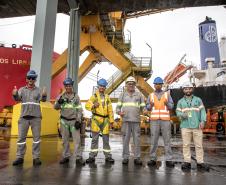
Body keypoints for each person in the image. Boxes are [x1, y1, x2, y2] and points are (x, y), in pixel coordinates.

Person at [12, 70, 47, 166]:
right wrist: (14, 94)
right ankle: (20, 157)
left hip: (36, 118)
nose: (31, 79)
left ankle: (36, 157)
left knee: (36, 139)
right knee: (21, 139)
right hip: (23, 118)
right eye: (29, 78)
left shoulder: (39, 90)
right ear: (27, 79)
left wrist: (44, 95)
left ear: (35, 79)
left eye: (33, 78)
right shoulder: (22, 90)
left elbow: (43, 100)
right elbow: (17, 99)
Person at [176, 82, 209, 171]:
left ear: (192, 89)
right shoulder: (180, 102)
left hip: (197, 126)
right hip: (185, 126)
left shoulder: (198, 100)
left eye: (189, 88)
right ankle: (187, 162)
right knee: (186, 145)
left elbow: (202, 111)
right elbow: (178, 112)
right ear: (183, 90)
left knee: (198, 145)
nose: (188, 90)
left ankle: (200, 162)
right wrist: (182, 115)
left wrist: (203, 121)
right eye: (186, 89)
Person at [116, 76, 146, 165]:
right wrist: (119, 112)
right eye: (129, 84)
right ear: (126, 85)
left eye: (132, 84)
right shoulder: (122, 94)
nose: (131, 85)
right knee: (125, 139)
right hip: (126, 120)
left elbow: (143, 106)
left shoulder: (139, 94)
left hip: (136, 120)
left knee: (137, 140)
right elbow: (118, 108)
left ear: (135, 85)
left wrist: (144, 110)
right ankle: (125, 157)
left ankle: (137, 157)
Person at [54, 77, 85, 165]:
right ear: (65, 86)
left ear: (72, 86)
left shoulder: (76, 97)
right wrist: (58, 103)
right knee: (65, 140)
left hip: (74, 121)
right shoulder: (60, 96)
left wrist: (78, 120)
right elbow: (55, 108)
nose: (68, 87)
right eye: (66, 86)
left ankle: (78, 158)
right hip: (64, 121)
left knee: (77, 141)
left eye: (69, 85)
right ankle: (66, 156)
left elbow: (79, 109)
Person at [146, 77, 175, 167]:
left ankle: (169, 159)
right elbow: (147, 107)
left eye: (159, 84)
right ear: (154, 85)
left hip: (165, 120)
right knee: (154, 140)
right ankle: (152, 158)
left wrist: (167, 103)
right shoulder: (150, 95)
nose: (157, 85)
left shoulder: (167, 95)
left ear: (162, 85)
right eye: (156, 84)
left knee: (167, 140)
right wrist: (150, 105)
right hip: (154, 120)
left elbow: (171, 106)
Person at [85, 78, 115, 164]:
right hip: (96, 120)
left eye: (103, 86)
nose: (102, 87)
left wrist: (111, 121)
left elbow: (110, 109)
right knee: (94, 139)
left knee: (106, 139)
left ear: (105, 87)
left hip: (105, 120)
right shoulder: (94, 97)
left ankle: (108, 156)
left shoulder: (107, 97)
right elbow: (87, 106)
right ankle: (92, 156)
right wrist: (93, 105)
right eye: (101, 86)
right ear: (98, 87)